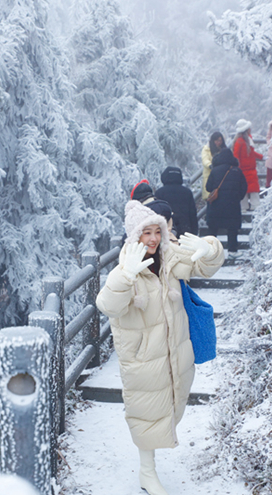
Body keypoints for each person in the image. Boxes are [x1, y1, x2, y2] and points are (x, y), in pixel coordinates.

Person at [96, 200, 224, 495]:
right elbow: (107, 305)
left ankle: (148, 469)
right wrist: (125, 276)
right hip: (143, 357)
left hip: (174, 350)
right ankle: (147, 472)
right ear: (135, 236)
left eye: (157, 231)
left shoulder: (168, 256)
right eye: (146, 233)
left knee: (172, 407)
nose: (153, 238)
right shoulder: (127, 264)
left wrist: (210, 249)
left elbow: (202, 266)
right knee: (146, 412)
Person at [206, 142, 248, 254]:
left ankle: (211, 252)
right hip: (232, 205)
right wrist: (237, 197)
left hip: (216, 206)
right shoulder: (237, 171)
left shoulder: (215, 171)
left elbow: (208, 187)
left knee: (213, 229)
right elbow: (244, 187)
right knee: (232, 228)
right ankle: (232, 251)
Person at [155, 166, 199, 237]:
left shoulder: (160, 193)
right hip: (185, 228)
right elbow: (192, 213)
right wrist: (194, 230)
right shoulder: (187, 192)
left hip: (166, 229)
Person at [232, 119, 263, 212]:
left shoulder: (240, 141)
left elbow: (238, 155)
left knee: (243, 190)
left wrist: (261, 156)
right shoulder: (244, 141)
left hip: (244, 170)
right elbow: (238, 155)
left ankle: (243, 207)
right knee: (253, 189)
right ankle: (255, 205)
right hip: (247, 169)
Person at [200, 132, 225, 201]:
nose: (219, 143)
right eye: (217, 140)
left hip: (221, 177)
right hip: (209, 175)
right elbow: (205, 159)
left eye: (220, 140)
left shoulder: (223, 150)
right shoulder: (206, 149)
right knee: (210, 197)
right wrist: (210, 165)